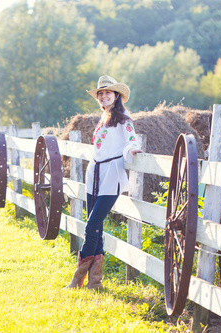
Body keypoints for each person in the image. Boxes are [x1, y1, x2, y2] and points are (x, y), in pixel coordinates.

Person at [66, 75, 142, 290]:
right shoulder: (103, 117)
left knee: (91, 226)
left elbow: (130, 140)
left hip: (111, 175)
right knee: (95, 227)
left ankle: (76, 280)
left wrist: (132, 150)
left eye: (108, 92)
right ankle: (95, 282)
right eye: (100, 93)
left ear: (116, 95)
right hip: (95, 174)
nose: (103, 96)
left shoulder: (124, 119)